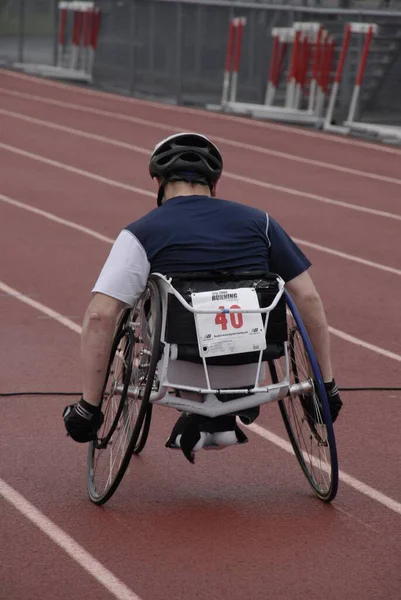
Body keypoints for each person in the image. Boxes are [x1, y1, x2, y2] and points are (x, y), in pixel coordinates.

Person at [63, 132, 342, 462]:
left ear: (157, 180)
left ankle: (96, 408)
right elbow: (308, 299)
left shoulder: (141, 232)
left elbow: (100, 316)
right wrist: (326, 387)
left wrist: (89, 408)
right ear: (215, 183)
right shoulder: (261, 223)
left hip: (180, 369)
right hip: (252, 367)